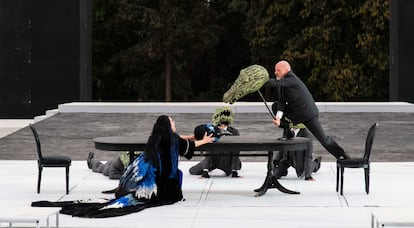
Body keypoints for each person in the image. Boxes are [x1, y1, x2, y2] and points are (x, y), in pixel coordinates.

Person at [32, 115, 214, 218]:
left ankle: (94, 164)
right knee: (178, 174)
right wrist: (204, 140)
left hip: (150, 176)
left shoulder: (156, 138)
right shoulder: (173, 140)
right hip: (164, 186)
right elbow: (187, 147)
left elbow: (180, 141)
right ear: (168, 126)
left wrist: (190, 136)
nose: (174, 123)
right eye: (172, 121)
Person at [265, 60, 350, 160]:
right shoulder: (282, 85)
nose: (275, 72)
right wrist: (278, 118)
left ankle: (342, 155)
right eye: (275, 70)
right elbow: (282, 102)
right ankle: (289, 133)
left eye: (278, 70)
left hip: (308, 114)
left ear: (287, 70)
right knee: (275, 106)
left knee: (323, 139)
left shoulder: (291, 78)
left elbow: (276, 83)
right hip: (297, 113)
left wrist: (260, 81)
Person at [271, 101, 321, 181]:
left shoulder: (307, 135)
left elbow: (307, 156)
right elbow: (282, 147)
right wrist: (275, 162)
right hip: (287, 158)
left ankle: (316, 163)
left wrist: (308, 176)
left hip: (299, 159)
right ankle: (283, 170)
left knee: (306, 170)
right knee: (276, 174)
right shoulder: (287, 129)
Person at [189, 111, 241, 178]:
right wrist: (205, 170)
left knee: (233, 166)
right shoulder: (211, 130)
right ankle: (207, 167)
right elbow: (207, 148)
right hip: (213, 158)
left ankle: (235, 167)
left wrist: (234, 170)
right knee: (193, 171)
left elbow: (236, 150)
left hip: (227, 159)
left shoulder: (234, 132)